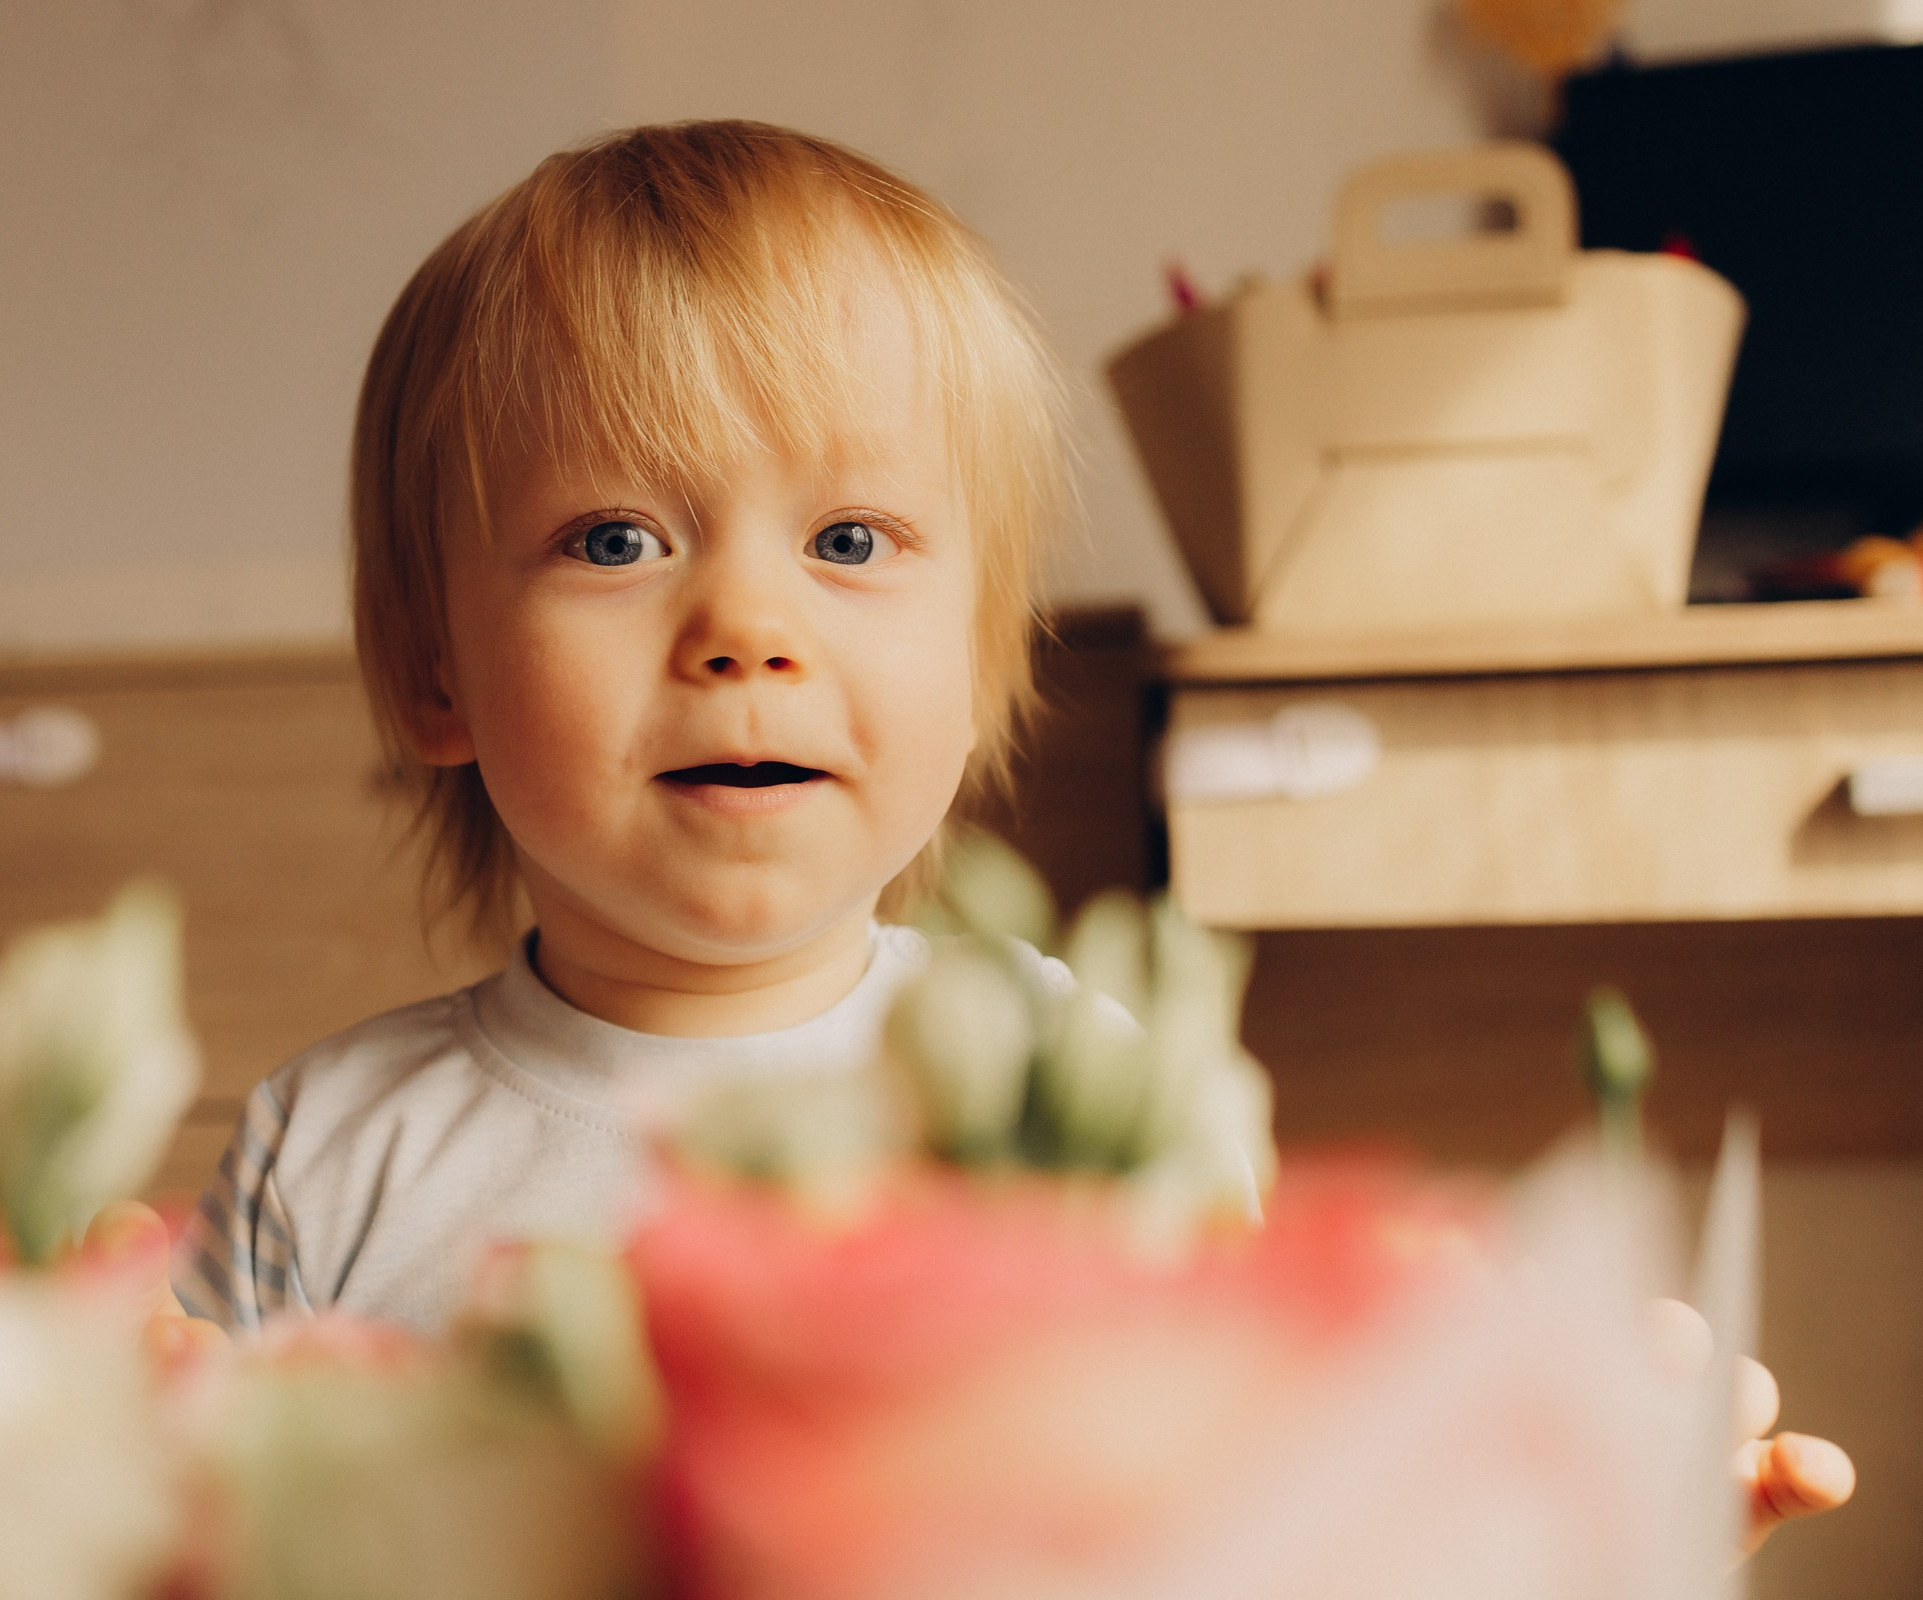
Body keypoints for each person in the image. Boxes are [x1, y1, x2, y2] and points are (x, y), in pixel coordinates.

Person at [152, 118, 1849, 1547]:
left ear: (975, 671)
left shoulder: (1076, 1082)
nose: (747, 625)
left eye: (852, 538)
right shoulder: (325, 1153)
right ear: (431, 669)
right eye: (613, 539)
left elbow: (1256, 1520)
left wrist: (1572, 1508)